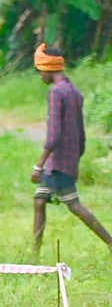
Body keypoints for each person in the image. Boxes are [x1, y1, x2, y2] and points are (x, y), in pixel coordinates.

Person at [30, 43, 112, 255]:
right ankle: (34, 253)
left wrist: (38, 166)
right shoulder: (74, 91)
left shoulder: (56, 93)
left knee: (74, 205)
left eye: (39, 71)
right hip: (66, 160)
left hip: (56, 163)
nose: (39, 76)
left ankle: (110, 242)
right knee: (39, 200)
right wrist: (76, 158)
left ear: (47, 69)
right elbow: (81, 133)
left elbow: (53, 135)